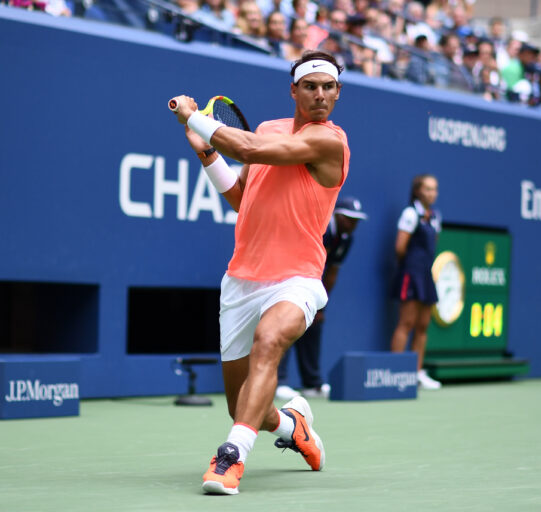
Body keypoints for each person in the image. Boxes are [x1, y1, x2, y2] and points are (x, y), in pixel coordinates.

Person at [169, 50, 349, 495]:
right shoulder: (268, 129)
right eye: (310, 86)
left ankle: (229, 458)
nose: (320, 95)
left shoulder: (331, 142)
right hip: (242, 280)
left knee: (270, 342)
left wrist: (195, 118)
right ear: (294, 90)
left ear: (338, 93)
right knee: (244, 407)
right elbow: (242, 197)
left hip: (298, 278)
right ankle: (293, 426)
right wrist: (209, 155)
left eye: (329, 87)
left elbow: (245, 147)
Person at [275, 196, 368, 400]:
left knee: (313, 325)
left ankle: (312, 384)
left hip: (310, 283)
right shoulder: (320, 228)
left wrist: (319, 306)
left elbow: (332, 272)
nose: (353, 224)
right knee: (288, 325)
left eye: (357, 220)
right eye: (349, 219)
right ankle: (279, 382)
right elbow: (308, 264)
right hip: (289, 277)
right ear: (338, 216)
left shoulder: (346, 239)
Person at [389, 174, 442, 391]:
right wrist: (411, 267)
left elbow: (433, 245)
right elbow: (400, 247)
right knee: (406, 323)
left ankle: (417, 373)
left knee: (422, 326)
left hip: (426, 275)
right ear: (418, 191)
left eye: (434, 189)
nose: (431, 193)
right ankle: (394, 372)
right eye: (427, 189)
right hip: (411, 274)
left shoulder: (436, 216)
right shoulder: (410, 214)